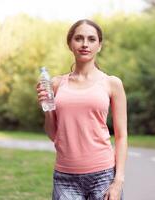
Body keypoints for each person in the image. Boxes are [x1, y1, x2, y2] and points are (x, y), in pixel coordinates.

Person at [36, 19, 127, 200]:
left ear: (99, 45)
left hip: (103, 175)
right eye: (79, 38)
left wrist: (118, 181)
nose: (85, 44)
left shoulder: (112, 83)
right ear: (70, 43)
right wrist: (47, 109)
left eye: (92, 39)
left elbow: (121, 135)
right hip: (65, 178)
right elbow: (54, 134)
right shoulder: (55, 84)